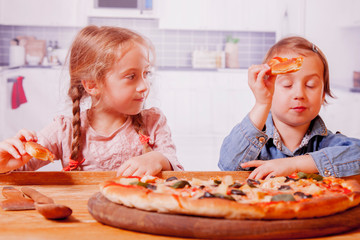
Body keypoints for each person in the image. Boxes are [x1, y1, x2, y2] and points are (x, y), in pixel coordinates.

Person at [0, 25, 183, 176]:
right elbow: (15, 170)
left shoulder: (153, 122)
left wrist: (158, 159)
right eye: (131, 76)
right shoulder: (65, 131)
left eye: (146, 73)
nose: (144, 86)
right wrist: (6, 161)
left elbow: (177, 171)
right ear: (92, 85)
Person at [218, 36, 360, 179]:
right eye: (287, 84)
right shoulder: (255, 145)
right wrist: (262, 104)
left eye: (310, 85)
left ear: (323, 94)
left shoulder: (329, 143)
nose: (299, 94)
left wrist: (294, 164)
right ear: (269, 90)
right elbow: (228, 165)